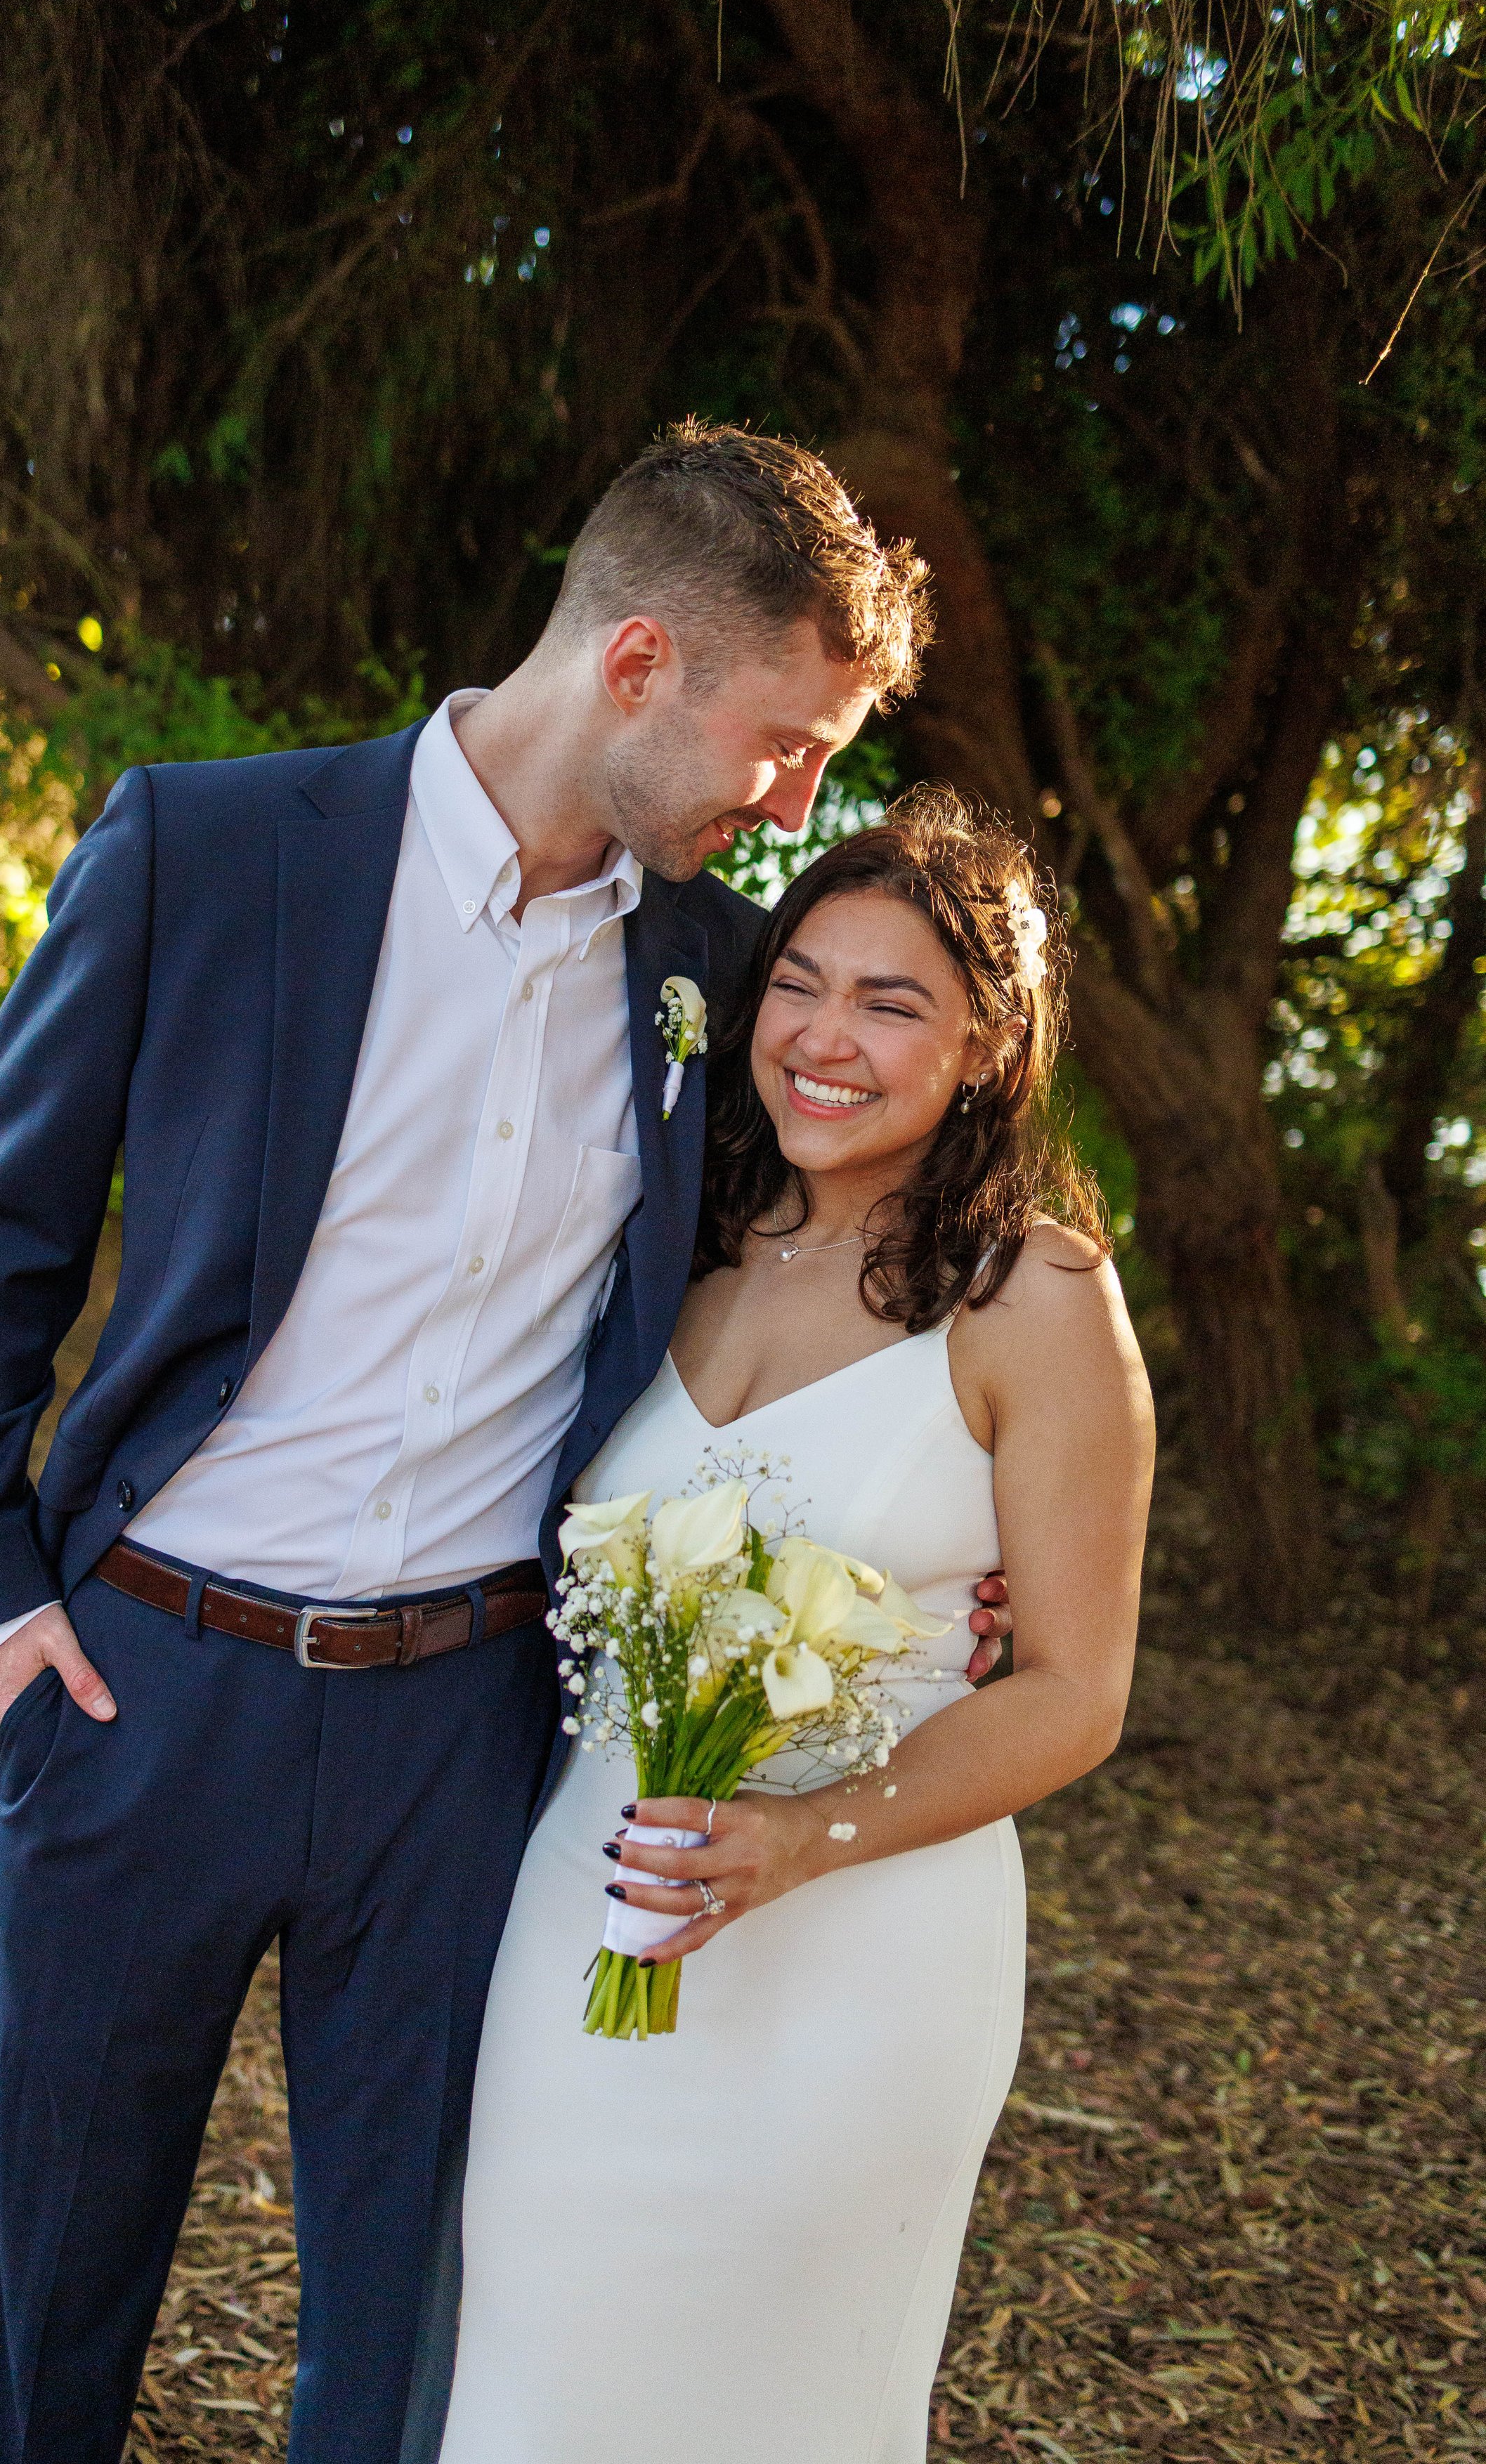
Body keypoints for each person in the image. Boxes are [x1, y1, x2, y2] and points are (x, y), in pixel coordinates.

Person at [0, 422, 1011, 2464]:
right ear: (642, 661)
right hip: (143, 1685)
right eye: (788, 742)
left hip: (466, 1732)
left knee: (410, 2335)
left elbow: (874, 1227)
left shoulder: (719, 971)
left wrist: (947, 1538)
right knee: (55, 2296)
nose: (798, 801)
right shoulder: (207, 852)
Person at [438, 788, 1154, 2464]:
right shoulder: (677, 1243)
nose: (826, 1039)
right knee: (535, 2378)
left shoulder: (1031, 1295)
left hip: (856, 1957)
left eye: (892, 1003)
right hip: (588, 1916)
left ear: (985, 1045)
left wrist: (800, 1836)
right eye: (800, 984)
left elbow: (1072, 1692)